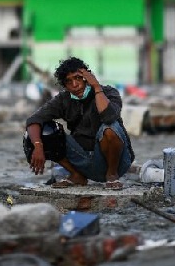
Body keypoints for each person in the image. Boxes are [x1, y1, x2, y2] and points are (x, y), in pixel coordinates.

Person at [25, 56, 134, 190]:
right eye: (69, 81)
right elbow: (34, 120)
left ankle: (111, 175)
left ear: (86, 77)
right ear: (64, 85)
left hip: (117, 162)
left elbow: (108, 116)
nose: (75, 85)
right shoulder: (63, 99)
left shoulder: (109, 92)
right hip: (83, 161)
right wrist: (38, 146)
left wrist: (96, 87)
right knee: (41, 131)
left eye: (78, 78)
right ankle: (77, 176)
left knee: (110, 128)